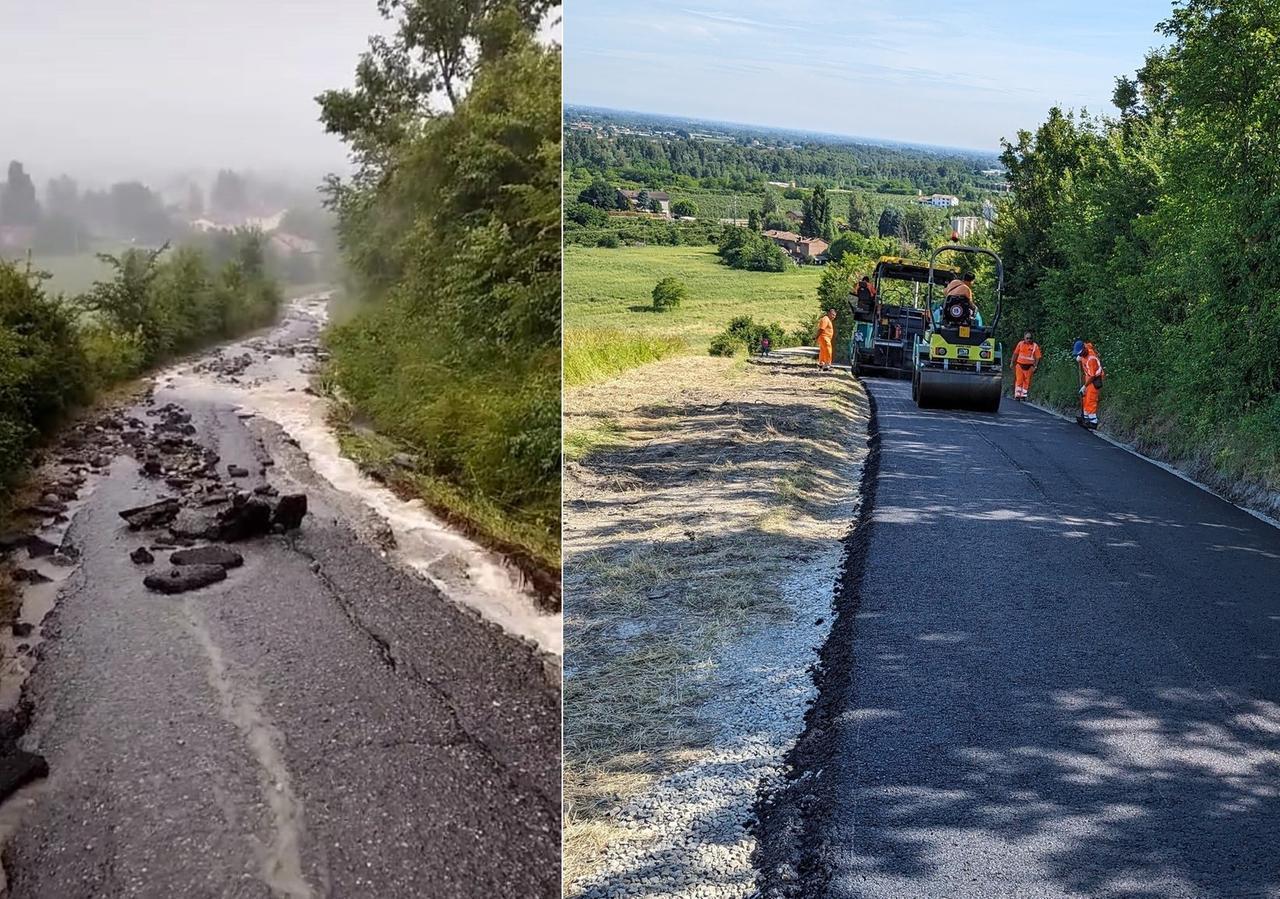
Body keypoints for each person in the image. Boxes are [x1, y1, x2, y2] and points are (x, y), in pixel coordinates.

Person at [1074, 338, 1104, 428]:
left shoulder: (1091, 359)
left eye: (1080, 353)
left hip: (1094, 380)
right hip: (1088, 377)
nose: (1080, 355)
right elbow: (1088, 345)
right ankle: (1085, 418)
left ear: (1084, 350)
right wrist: (1079, 358)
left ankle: (1093, 422)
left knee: (1091, 399)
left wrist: (1084, 386)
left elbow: (1092, 376)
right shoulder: (1085, 349)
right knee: (1085, 397)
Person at [1011, 330, 1042, 400]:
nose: (1029, 340)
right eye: (1027, 338)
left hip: (1029, 366)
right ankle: (1017, 395)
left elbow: (1038, 357)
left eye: (1030, 338)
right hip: (1020, 365)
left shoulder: (1035, 346)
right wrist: (1012, 362)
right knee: (1019, 380)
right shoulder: (1020, 344)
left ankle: (1023, 396)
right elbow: (1015, 353)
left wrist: (1035, 366)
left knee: (1027, 381)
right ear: (1024, 338)